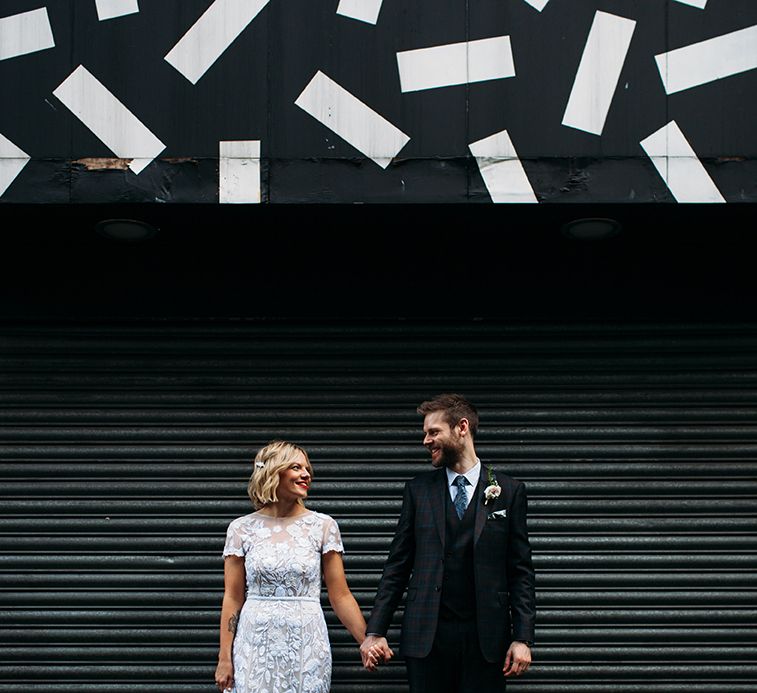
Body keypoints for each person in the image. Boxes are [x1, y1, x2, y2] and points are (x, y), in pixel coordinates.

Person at [360, 393, 536, 692]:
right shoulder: (418, 491)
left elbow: (520, 571)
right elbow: (397, 566)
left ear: (462, 428)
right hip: (426, 637)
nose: (426, 441)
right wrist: (375, 631)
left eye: (433, 432)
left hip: (486, 638)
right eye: (425, 434)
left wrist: (522, 638)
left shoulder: (508, 490)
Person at [214, 440, 380, 693]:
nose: (306, 475)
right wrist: (224, 657)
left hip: (306, 642)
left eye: (307, 469)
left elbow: (340, 595)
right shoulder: (241, 529)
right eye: (296, 467)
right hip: (254, 642)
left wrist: (366, 641)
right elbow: (233, 597)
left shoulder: (323, 526)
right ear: (273, 472)